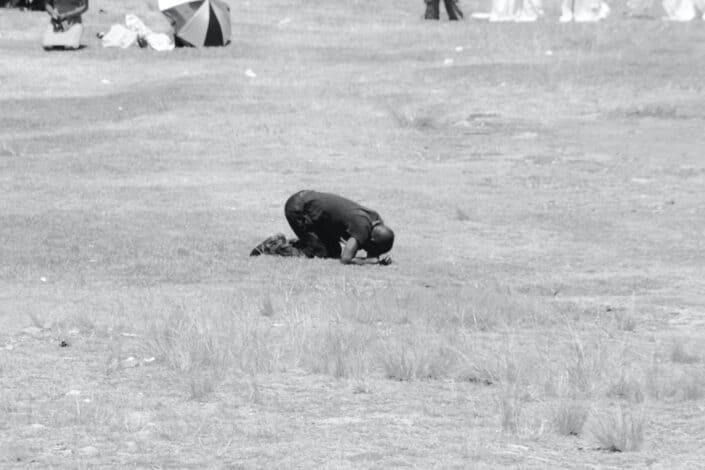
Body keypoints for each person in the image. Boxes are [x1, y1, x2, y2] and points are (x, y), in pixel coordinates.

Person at [280, 190, 395, 265]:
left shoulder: (375, 221)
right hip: (299, 209)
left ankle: (301, 242)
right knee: (321, 253)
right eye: (376, 250)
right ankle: (275, 245)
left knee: (333, 252)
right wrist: (368, 261)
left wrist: (379, 262)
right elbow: (345, 259)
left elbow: (371, 251)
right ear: (372, 241)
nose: (375, 253)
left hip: (310, 206)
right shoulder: (362, 226)